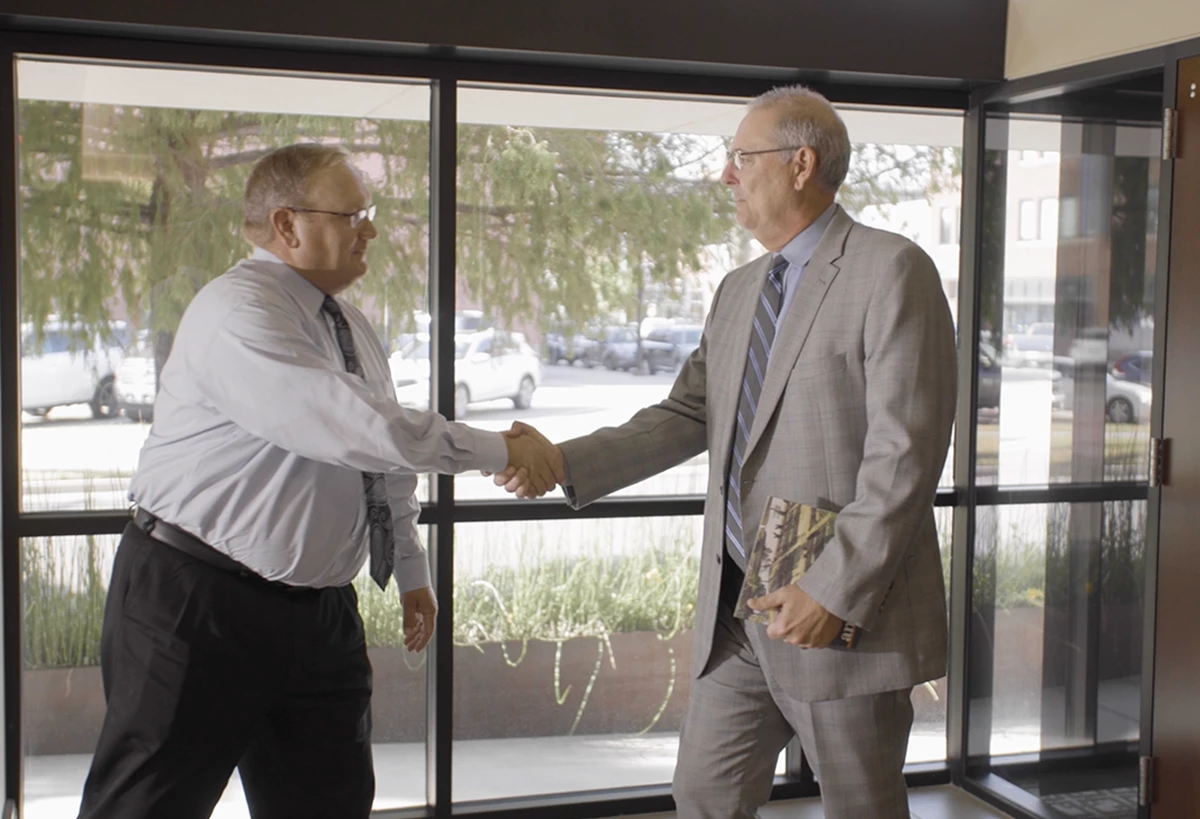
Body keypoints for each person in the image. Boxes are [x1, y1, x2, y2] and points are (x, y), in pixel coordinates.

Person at [496, 86, 956, 818]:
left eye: (742, 157)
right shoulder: (740, 288)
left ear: (801, 163)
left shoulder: (891, 269)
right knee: (704, 796)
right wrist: (564, 460)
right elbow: (689, 412)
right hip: (738, 615)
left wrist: (832, 591)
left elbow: (904, 456)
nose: (725, 176)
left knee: (861, 805)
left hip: (841, 618)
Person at [76, 143, 559, 819]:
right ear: (286, 225)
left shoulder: (348, 323)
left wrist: (412, 566)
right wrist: (498, 447)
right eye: (353, 213)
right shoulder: (238, 313)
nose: (371, 228)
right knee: (147, 805)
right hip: (197, 603)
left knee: (329, 804)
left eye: (370, 211)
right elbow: (353, 424)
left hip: (319, 614)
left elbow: (378, 456)